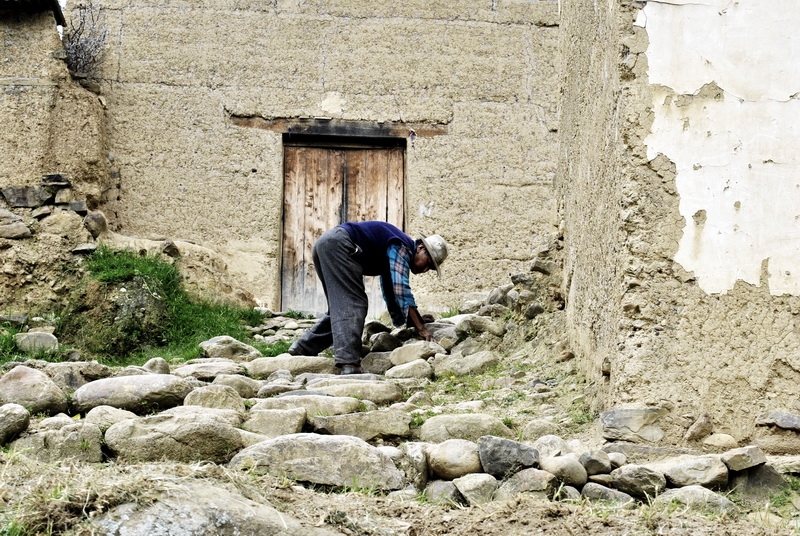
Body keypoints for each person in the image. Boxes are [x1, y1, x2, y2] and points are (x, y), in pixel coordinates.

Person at [287, 220, 449, 375]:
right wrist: (422, 329)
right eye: (428, 263)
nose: (426, 269)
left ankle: (303, 347)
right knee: (353, 303)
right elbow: (401, 289)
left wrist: (414, 321)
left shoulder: (395, 250)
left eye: (431, 269)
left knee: (340, 307)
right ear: (420, 248)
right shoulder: (402, 247)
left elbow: (390, 290)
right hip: (339, 245)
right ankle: (349, 364)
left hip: (327, 243)